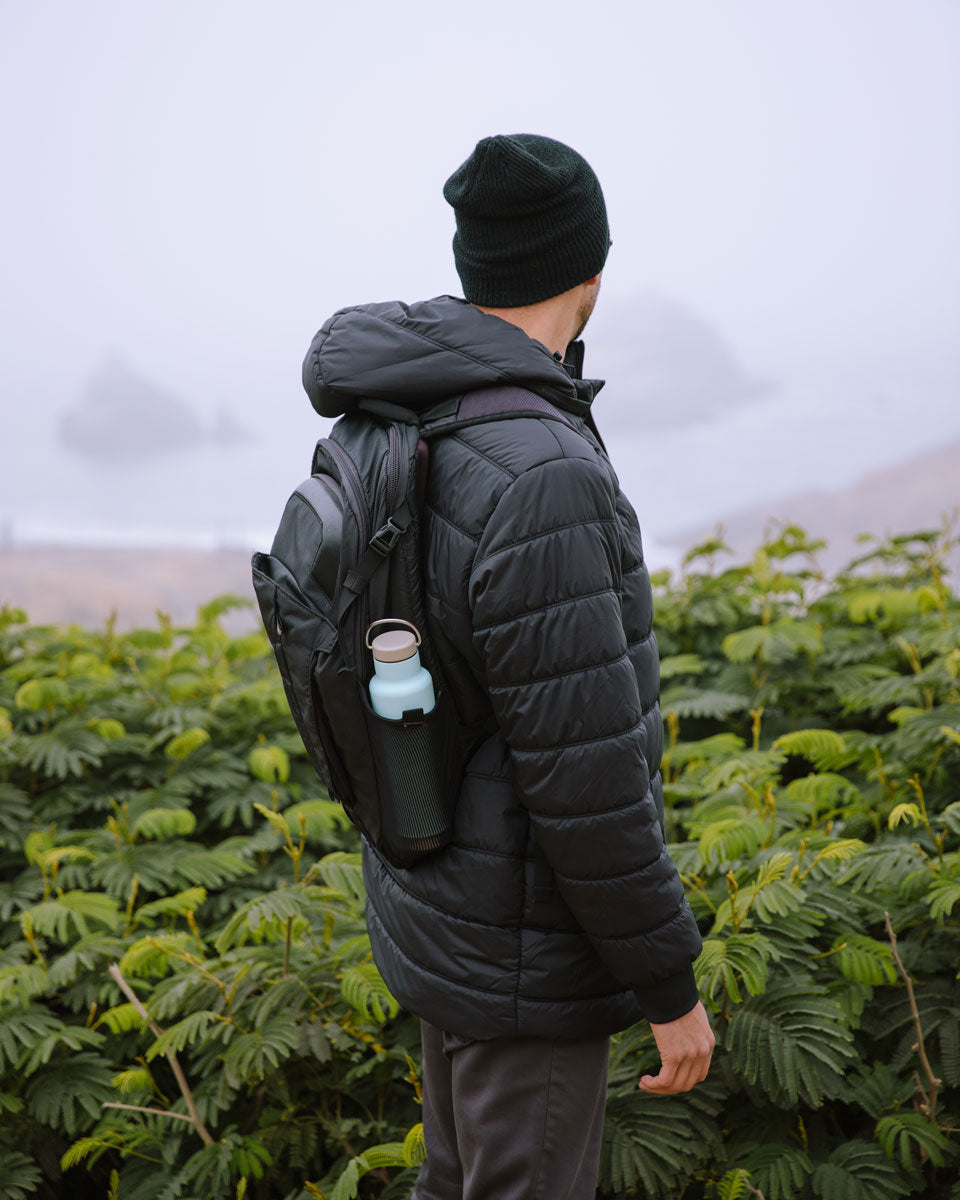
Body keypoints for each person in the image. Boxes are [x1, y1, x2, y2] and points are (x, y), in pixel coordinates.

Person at [302, 133, 714, 1200]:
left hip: (438, 900)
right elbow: (586, 774)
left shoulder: (402, 405)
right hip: (523, 951)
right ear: (590, 268)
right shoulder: (542, 472)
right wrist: (667, 985)